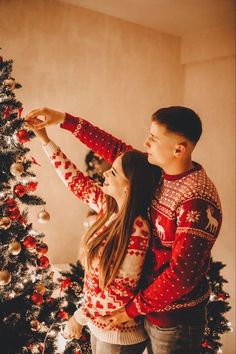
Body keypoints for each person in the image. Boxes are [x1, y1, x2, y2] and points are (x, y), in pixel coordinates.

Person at [26, 106, 222, 354]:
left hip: (174, 321)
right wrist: (62, 121)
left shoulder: (196, 199)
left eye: (154, 138)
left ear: (179, 149)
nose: (145, 142)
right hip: (143, 312)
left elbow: (180, 276)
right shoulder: (152, 174)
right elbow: (110, 153)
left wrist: (126, 311)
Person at [27, 119, 161, 354]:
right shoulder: (110, 208)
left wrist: (79, 317)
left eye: (114, 172)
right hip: (100, 328)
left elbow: (120, 292)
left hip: (119, 335)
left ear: (129, 185)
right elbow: (75, 181)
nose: (105, 173)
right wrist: (45, 140)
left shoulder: (137, 230)